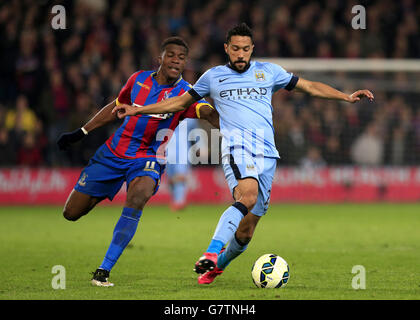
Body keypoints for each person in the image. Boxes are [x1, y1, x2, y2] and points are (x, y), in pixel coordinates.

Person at [113, 23, 374, 285]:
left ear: (252, 50)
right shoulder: (213, 76)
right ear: (227, 49)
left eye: (245, 49)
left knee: (246, 231)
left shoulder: (268, 72)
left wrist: (346, 97)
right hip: (236, 147)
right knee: (246, 195)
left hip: (267, 154)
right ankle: (211, 252)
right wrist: (138, 110)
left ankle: (215, 268)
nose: (240, 54)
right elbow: (179, 102)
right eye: (235, 49)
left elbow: (309, 86)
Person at [57, 37, 219, 287]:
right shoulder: (138, 79)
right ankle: (102, 191)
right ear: (161, 58)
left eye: (182, 57)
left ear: (185, 62)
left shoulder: (185, 94)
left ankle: (104, 269)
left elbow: (206, 112)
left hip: (147, 157)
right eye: (172, 55)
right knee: (71, 213)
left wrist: (233, 127)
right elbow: (116, 107)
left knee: (139, 194)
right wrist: (82, 132)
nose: (176, 60)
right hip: (112, 154)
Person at [165, 118, 201, 211]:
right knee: (170, 177)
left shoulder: (190, 118)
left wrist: (199, 146)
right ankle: (175, 199)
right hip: (167, 150)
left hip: (183, 151)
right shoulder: (168, 112)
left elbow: (196, 133)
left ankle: (179, 201)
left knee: (181, 175)